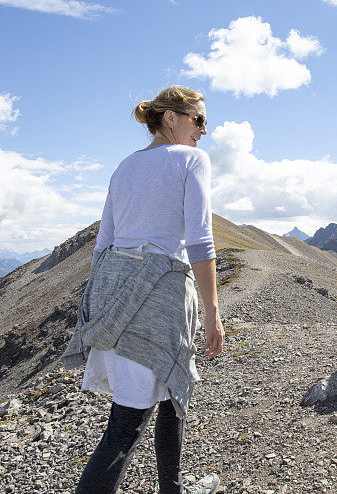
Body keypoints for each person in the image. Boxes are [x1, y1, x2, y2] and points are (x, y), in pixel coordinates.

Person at [60, 85, 224, 494]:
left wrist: (100, 310)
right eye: (198, 120)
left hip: (119, 295)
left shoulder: (124, 167)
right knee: (128, 426)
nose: (204, 130)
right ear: (170, 117)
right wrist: (213, 314)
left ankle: (172, 487)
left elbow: (103, 244)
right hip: (162, 298)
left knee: (171, 395)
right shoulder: (192, 160)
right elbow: (200, 241)